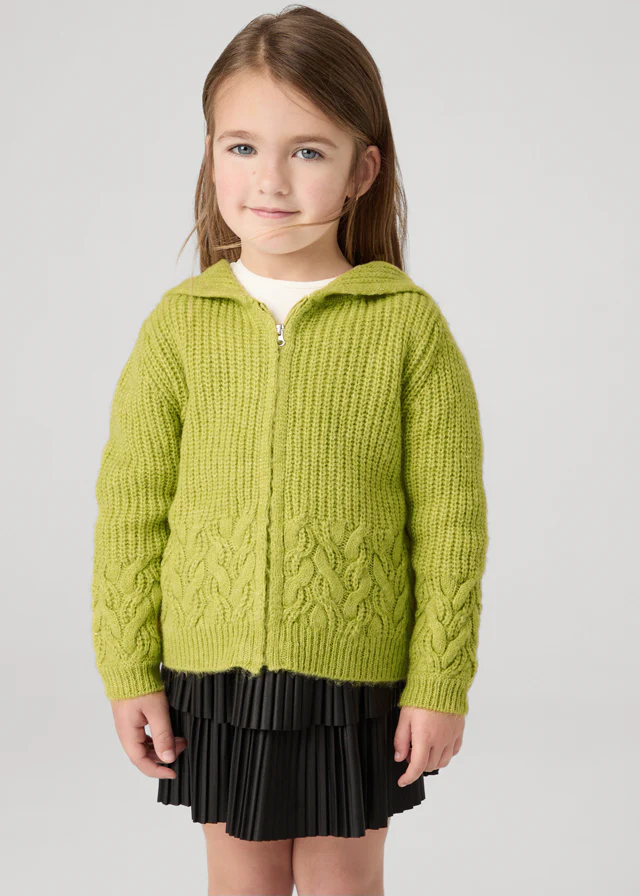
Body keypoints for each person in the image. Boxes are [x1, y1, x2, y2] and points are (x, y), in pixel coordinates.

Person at [91, 5, 489, 894]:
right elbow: (131, 511)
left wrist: (440, 679)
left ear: (361, 171)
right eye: (242, 147)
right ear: (210, 155)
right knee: (241, 884)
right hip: (213, 676)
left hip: (355, 675)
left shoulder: (406, 327)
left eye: (308, 150)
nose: (269, 179)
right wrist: (127, 668)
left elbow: (452, 522)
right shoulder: (181, 326)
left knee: (346, 883)